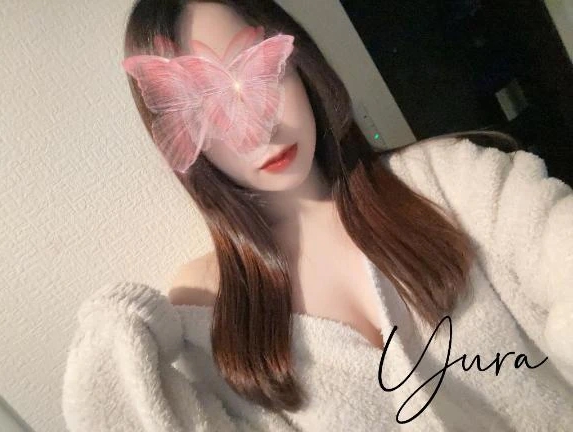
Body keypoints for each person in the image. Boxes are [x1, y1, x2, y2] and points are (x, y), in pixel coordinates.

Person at [62, 1, 573, 430]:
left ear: (298, 62)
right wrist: (122, 330)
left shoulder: (451, 179)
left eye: (261, 75)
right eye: (207, 105)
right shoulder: (211, 306)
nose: (261, 129)